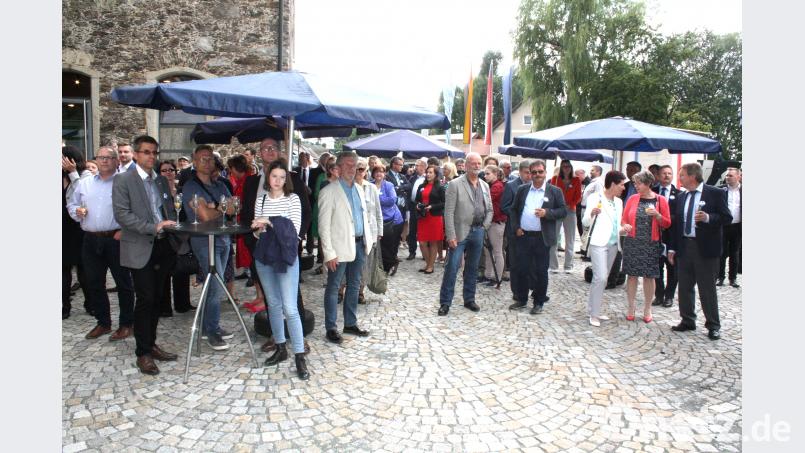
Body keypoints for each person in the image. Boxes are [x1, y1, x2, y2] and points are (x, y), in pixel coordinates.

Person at [112, 135, 183, 376]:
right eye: (146, 152)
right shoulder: (123, 179)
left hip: (162, 246)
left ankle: (151, 344)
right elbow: (122, 215)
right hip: (139, 247)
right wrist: (153, 227)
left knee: (158, 298)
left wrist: (172, 224)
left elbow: (167, 208)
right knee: (145, 299)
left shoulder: (160, 180)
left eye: (154, 152)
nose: (151, 156)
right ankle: (142, 352)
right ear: (135, 154)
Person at [240, 138, 312, 351]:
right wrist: (254, 239)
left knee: (292, 299)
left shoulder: (292, 179)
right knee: (271, 299)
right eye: (265, 148)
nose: (270, 151)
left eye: (274, 148)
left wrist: (296, 240)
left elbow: (305, 212)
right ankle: (276, 337)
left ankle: (299, 339)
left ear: (280, 152)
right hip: (262, 249)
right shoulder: (252, 182)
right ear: (260, 152)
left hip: (287, 248)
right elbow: (248, 216)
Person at [68, 146, 136, 340]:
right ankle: (103, 322)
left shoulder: (125, 182)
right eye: (101, 157)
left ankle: (126, 324)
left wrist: (125, 230)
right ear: (96, 160)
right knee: (94, 283)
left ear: (117, 161)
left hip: (116, 239)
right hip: (90, 239)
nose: (105, 160)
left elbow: (136, 209)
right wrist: (76, 212)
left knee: (123, 283)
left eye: (109, 157)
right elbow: (72, 203)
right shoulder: (85, 183)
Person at [251, 159, 310, 380]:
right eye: (274, 176)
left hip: (286, 257)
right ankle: (280, 347)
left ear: (287, 179)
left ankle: (300, 356)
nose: (278, 181)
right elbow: (257, 233)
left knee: (290, 308)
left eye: (282, 177)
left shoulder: (293, 199)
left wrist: (269, 221)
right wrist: (259, 227)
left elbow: (293, 231)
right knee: (273, 305)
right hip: (265, 256)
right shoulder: (261, 199)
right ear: (268, 177)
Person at [180, 145, 237, 350]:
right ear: (194, 162)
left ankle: (209, 327)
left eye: (210, 158)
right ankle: (211, 331)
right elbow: (204, 217)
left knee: (214, 285)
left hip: (223, 239)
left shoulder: (220, 184)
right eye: (202, 159)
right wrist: (220, 207)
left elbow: (233, 208)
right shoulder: (190, 187)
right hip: (204, 242)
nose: (207, 162)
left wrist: (214, 207)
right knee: (215, 285)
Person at [668, 162, 732, 340]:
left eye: (682, 175)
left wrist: (708, 217)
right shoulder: (681, 196)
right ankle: (687, 320)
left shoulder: (715, 193)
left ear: (692, 176)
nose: (679, 178)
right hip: (684, 246)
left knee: (707, 289)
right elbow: (676, 225)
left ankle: (713, 325)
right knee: (684, 287)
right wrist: (672, 248)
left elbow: (727, 217)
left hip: (705, 248)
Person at [318, 151, 373, 343]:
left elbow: (363, 217)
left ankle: (350, 323)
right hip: (338, 249)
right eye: (348, 165)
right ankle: (331, 328)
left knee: (354, 285)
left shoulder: (359, 189)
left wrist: (368, 241)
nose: (352, 168)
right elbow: (323, 226)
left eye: (354, 165)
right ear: (338, 168)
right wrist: (329, 253)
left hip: (359, 244)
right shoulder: (328, 192)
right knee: (334, 287)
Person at [508, 159, 567, 315]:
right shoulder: (522, 189)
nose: (537, 175)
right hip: (523, 236)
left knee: (541, 271)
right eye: (534, 172)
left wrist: (547, 213)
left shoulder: (555, 191)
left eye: (540, 172)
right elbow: (513, 210)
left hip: (542, 237)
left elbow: (563, 211)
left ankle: (539, 302)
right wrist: (516, 228)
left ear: (545, 172)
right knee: (522, 269)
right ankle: (521, 299)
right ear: (530, 174)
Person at [437, 152, 492, 316]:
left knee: (472, 268)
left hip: (478, 231)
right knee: (452, 268)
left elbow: (490, 209)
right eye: (473, 163)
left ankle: (469, 299)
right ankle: (445, 302)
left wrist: (484, 226)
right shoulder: (455, 184)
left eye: (479, 163)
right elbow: (448, 212)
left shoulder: (484, 185)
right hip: (459, 232)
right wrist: (450, 235)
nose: (477, 166)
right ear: (466, 165)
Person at [621, 170, 671, 323]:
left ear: (648, 183)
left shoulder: (660, 200)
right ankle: (631, 307)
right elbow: (623, 219)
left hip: (651, 243)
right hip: (633, 242)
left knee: (649, 277)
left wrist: (657, 215)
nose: (636, 186)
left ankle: (647, 308)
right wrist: (626, 226)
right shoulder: (632, 199)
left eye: (639, 183)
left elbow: (667, 223)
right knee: (632, 276)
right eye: (635, 183)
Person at [582, 171, 628, 327]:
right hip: (598, 243)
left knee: (603, 278)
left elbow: (617, 226)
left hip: (614, 244)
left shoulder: (619, 202)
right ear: (613, 184)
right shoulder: (595, 197)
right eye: (621, 184)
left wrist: (624, 229)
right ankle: (594, 314)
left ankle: (593, 309)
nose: (623, 187)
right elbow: (585, 222)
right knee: (600, 277)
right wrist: (591, 213)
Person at [62, 145, 93, 319]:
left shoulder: (85, 175)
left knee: (83, 269)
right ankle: (64, 306)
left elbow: (85, 193)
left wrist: (73, 173)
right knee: (63, 269)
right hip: (62, 228)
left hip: (79, 227)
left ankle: (90, 303)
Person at [158, 160, 192, 315]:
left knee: (181, 270)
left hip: (181, 235)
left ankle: (183, 304)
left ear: (175, 172)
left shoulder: (182, 191)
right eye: (164, 170)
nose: (168, 173)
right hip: (164, 235)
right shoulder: (156, 192)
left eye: (171, 170)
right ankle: (164, 307)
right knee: (163, 273)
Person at [501, 160, 532, 294]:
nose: (529, 176)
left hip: (531, 230)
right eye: (526, 173)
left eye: (531, 173)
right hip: (514, 228)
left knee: (530, 262)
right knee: (515, 262)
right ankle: (516, 292)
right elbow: (504, 206)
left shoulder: (534, 186)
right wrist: (519, 213)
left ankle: (531, 287)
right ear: (520, 172)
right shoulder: (511, 186)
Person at [354, 158, 383, 301]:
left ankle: (360, 291)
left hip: (370, 231)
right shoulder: (349, 186)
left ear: (366, 171)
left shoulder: (371, 188)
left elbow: (378, 210)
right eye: (356, 169)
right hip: (355, 231)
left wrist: (380, 231)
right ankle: (343, 288)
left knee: (366, 263)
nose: (359, 172)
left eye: (362, 169)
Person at [651, 165, 680, 307]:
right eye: (664, 173)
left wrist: (664, 219)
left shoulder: (679, 194)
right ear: (658, 175)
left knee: (672, 267)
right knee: (656, 267)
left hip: (672, 235)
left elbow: (679, 216)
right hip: (655, 234)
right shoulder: (652, 192)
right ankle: (659, 295)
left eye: (669, 173)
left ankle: (669, 296)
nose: (667, 176)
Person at [549, 159, 582, 272]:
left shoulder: (576, 180)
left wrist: (570, 205)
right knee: (553, 238)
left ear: (571, 167)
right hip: (557, 211)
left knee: (570, 239)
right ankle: (553, 266)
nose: (566, 168)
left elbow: (578, 196)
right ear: (561, 168)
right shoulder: (555, 179)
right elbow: (551, 194)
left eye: (568, 166)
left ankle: (568, 266)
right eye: (564, 166)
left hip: (570, 211)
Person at [414, 164, 445, 274]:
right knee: (422, 243)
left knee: (433, 242)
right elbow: (417, 200)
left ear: (436, 174)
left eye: (431, 172)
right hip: (423, 217)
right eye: (427, 172)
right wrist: (417, 205)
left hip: (434, 217)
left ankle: (430, 266)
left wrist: (432, 206)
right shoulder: (421, 186)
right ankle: (428, 264)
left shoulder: (440, 187)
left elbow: (444, 203)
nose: (428, 174)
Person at [374, 164, 404, 274]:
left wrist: (376, 199)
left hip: (392, 220)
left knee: (389, 245)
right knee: (380, 246)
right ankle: (388, 264)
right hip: (377, 220)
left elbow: (392, 200)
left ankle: (388, 266)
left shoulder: (388, 185)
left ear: (384, 174)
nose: (379, 174)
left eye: (381, 171)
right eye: (376, 171)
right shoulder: (370, 185)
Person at [480, 164, 506, 286]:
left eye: (488, 174)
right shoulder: (491, 185)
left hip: (496, 222)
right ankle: (488, 275)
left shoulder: (497, 186)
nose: (485, 176)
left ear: (495, 174)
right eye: (485, 174)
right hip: (490, 222)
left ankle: (497, 277)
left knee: (497, 251)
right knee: (488, 251)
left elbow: (486, 200)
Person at [718, 167, 742, 288]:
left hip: (738, 226)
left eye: (730, 175)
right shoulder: (721, 190)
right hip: (723, 225)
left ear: (738, 177)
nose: (727, 177)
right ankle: (720, 277)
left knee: (734, 252)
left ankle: (733, 278)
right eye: (727, 175)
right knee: (721, 252)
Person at [293, 150, 318, 255]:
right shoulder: (295, 171)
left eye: (303, 158)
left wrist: (310, 190)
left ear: (308, 159)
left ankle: (310, 247)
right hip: (298, 201)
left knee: (310, 224)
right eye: (300, 158)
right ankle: (298, 247)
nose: (301, 160)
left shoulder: (313, 172)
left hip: (311, 200)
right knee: (299, 223)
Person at [579, 165, 604, 257]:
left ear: (598, 172)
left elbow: (598, 196)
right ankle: (584, 248)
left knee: (588, 230)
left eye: (593, 170)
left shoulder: (598, 183)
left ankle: (587, 251)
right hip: (584, 207)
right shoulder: (592, 182)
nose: (590, 172)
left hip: (589, 209)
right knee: (585, 230)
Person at [406, 158, 428, 260]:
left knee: (424, 230)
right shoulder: (412, 177)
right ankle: (412, 251)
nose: (415, 167)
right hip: (413, 205)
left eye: (417, 165)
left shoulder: (428, 177)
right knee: (412, 230)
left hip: (424, 207)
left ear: (423, 167)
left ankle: (425, 253)